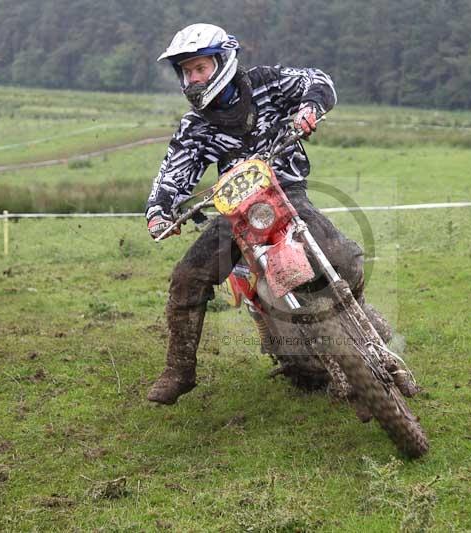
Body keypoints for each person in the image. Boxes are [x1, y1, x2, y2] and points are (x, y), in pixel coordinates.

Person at [144, 23, 366, 405]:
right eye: (187, 72)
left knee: (345, 256)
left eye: (201, 68)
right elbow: (173, 173)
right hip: (237, 213)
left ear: (223, 62)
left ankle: (358, 328)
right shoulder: (195, 126)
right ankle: (178, 371)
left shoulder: (267, 83)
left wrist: (309, 109)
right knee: (186, 277)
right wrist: (159, 210)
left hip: (287, 192)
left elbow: (318, 80)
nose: (194, 78)